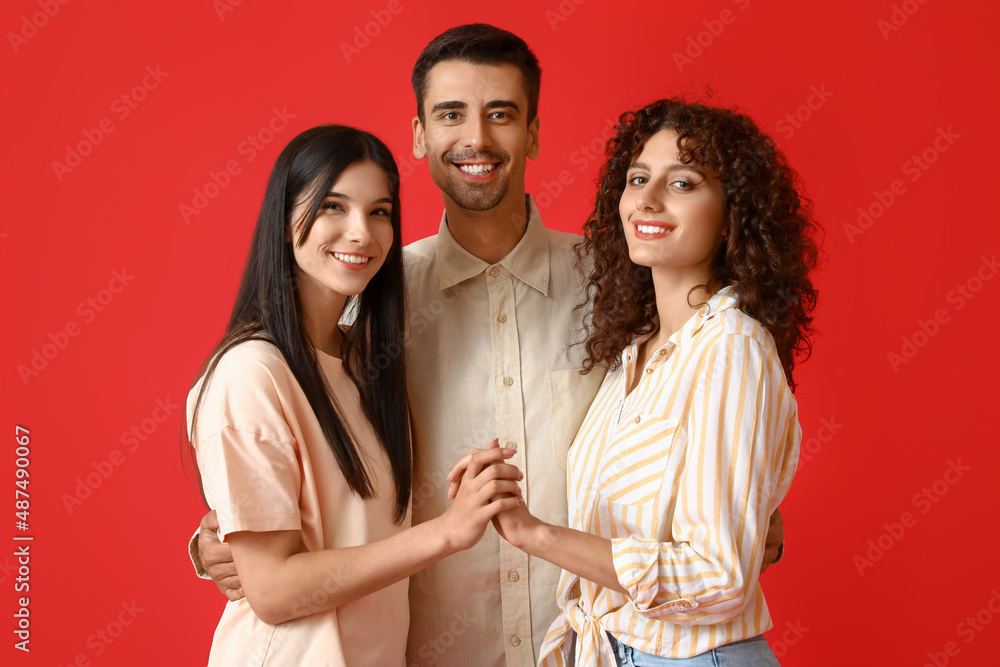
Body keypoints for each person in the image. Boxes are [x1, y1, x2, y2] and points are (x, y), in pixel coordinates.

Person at [193, 26, 787, 667]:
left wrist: (748, 514)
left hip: (586, 648)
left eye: (500, 113)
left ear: (531, 131)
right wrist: (216, 537)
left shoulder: (617, 286)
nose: (476, 138)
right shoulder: (371, 300)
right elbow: (275, 423)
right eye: (451, 114)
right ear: (420, 135)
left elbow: (712, 407)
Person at [455, 98, 818, 665]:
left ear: (732, 214)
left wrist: (535, 535)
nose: (647, 199)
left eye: (683, 183)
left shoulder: (732, 347)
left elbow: (720, 576)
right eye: (638, 178)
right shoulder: (633, 354)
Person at [185, 124, 524, 666]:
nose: (361, 233)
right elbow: (272, 592)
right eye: (333, 208)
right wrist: (447, 532)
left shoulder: (366, 365)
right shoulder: (252, 372)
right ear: (284, 220)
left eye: (380, 212)